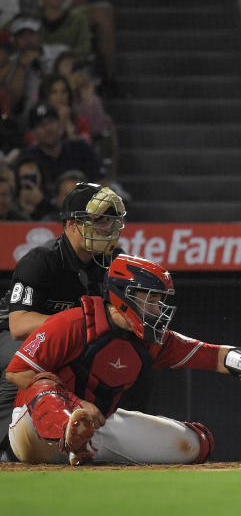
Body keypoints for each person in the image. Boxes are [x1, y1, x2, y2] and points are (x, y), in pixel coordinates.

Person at [5, 253, 241, 464]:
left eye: (160, 301)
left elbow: (209, 355)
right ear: (123, 294)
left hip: (99, 428)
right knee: (42, 382)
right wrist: (76, 405)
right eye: (152, 299)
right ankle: (72, 434)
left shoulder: (150, 339)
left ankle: (84, 447)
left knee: (195, 444)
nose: (158, 308)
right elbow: (17, 372)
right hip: (35, 432)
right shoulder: (72, 323)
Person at [0, 182, 124, 459]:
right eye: (98, 219)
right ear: (71, 223)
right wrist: (78, 322)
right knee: (22, 365)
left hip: (73, 340)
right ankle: (6, 449)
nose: (107, 226)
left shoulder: (114, 261)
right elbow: (18, 324)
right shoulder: (41, 260)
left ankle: (97, 437)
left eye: (111, 219)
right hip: (11, 338)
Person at [20, 101, 101, 194]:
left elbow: (101, 182)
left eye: (51, 122)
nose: (48, 128)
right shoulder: (27, 158)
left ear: (60, 124)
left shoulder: (81, 149)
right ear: (33, 133)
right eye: (41, 125)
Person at [11, 155, 55, 221]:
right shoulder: (12, 200)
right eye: (25, 177)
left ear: (40, 175)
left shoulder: (52, 196)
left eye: (33, 177)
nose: (29, 181)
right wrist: (22, 207)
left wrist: (42, 201)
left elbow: (57, 216)